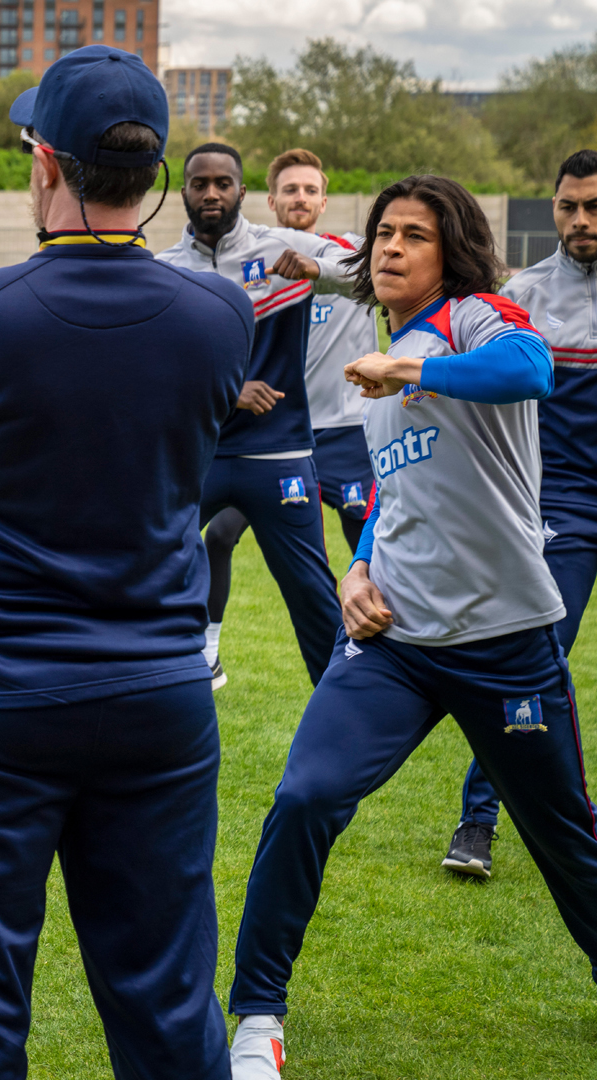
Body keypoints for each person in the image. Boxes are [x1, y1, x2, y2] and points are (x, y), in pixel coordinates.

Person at [0, 45, 246, 1080]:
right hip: (159, 699)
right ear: (157, 175)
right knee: (172, 1013)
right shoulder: (220, 315)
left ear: (45, 163)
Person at [226, 174, 597, 1080]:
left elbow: (533, 370)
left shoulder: (476, 318)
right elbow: (399, 487)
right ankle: (255, 1021)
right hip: (393, 646)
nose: (389, 247)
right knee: (304, 798)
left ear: (451, 248)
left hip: (507, 642)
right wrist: (358, 569)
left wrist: (412, 366)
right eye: (383, 232)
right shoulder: (386, 354)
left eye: (412, 235)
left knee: (564, 839)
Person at [443, 149, 597, 879]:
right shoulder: (525, 296)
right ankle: (478, 820)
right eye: (568, 206)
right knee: (538, 656)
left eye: (593, 206)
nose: (580, 221)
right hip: (562, 503)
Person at [158, 142, 354, 689]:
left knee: (313, 596)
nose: (212, 193)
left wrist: (317, 267)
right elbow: (149, 366)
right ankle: (156, 682)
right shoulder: (165, 271)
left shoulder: (282, 248)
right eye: (201, 184)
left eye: (224, 183)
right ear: (185, 193)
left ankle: (342, 705)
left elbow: (366, 272)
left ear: (243, 192)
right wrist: (227, 390)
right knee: (139, 568)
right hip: (196, 455)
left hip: (279, 455)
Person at [198, 149, 377, 690]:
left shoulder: (337, 255)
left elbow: (383, 274)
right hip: (259, 439)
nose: (300, 198)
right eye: (290, 190)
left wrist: (321, 268)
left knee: (364, 546)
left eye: (310, 190)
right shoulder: (248, 266)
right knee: (215, 538)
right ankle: (203, 651)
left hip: (340, 434)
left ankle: (392, 649)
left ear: (325, 199)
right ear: (270, 200)